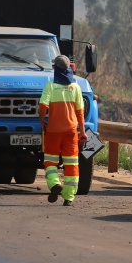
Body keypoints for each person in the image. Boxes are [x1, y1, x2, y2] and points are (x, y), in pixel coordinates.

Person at [39, 55, 86, 207]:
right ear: (69, 69)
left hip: (53, 131)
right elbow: (80, 112)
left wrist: (42, 123)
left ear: (55, 69)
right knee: (72, 164)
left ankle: (54, 185)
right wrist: (83, 132)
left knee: (50, 162)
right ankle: (69, 197)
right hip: (71, 132)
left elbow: (42, 108)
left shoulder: (50, 86)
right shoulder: (76, 87)